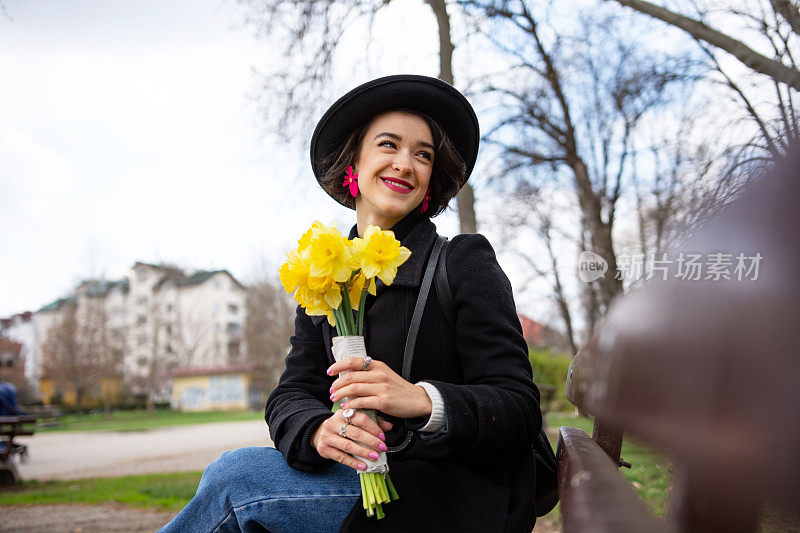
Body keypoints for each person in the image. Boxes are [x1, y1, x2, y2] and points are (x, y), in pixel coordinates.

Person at [161, 74, 542, 533]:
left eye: (423, 154)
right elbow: (292, 393)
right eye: (388, 145)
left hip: (447, 497)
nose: (406, 164)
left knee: (236, 482)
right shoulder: (324, 275)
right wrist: (317, 431)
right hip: (358, 481)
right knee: (232, 475)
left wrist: (422, 400)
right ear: (353, 163)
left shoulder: (462, 262)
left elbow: (518, 406)